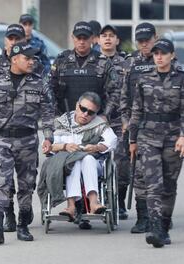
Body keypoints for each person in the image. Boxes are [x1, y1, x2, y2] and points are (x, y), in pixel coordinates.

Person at [0, 42, 55, 244]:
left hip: (27, 140)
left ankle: (23, 225)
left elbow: (48, 112)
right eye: (27, 58)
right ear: (14, 60)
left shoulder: (39, 83)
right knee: (1, 182)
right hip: (2, 138)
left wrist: (48, 137)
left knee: (26, 184)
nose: (31, 62)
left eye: (33, 58)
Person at [49, 21, 118, 229]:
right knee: (73, 160)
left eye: (85, 38)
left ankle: (87, 206)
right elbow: (49, 91)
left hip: (94, 122)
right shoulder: (61, 61)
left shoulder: (103, 63)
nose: (81, 41)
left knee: (87, 158)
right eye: (78, 37)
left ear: (92, 39)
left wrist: (105, 115)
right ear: (73, 38)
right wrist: (56, 119)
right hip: (67, 122)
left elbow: (114, 93)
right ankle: (77, 208)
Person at [129, 38, 184, 247]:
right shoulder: (143, 78)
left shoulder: (182, 79)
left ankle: (164, 226)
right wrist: (132, 139)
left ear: (172, 55)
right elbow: (136, 110)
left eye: (163, 53)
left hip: (173, 137)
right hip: (148, 137)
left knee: (168, 185)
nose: (158, 57)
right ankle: (155, 227)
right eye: (156, 53)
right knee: (152, 184)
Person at [41, 92, 117, 222]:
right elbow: (49, 146)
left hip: (93, 164)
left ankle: (93, 202)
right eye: (83, 109)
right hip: (66, 165)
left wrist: (97, 147)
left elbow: (112, 140)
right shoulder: (62, 122)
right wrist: (65, 146)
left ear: (96, 113)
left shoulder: (99, 124)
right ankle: (71, 206)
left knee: (86, 159)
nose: (85, 114)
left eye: (91, 112)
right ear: (77, 105)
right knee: (74, 161)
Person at [120, 22, 157, 234]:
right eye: (140, 41)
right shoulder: (130, 63)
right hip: (137, 126)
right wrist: (126, 121)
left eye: (147, 40)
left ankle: (161, 215)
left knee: (161, 175)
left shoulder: (165, 58)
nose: (144, 44)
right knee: (139, 174)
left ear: (155, 38)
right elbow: (123, 97)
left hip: (161, 127)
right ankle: (143, 217)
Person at [98, 24, 130, 220]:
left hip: (119, 120)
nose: (108, 39)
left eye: (112, 36)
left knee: (121, 163)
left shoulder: (127, 63)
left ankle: (119, 203)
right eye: (104, 36)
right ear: (99, 40)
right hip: (96, 120)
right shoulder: (93, 62)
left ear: (117, 40)